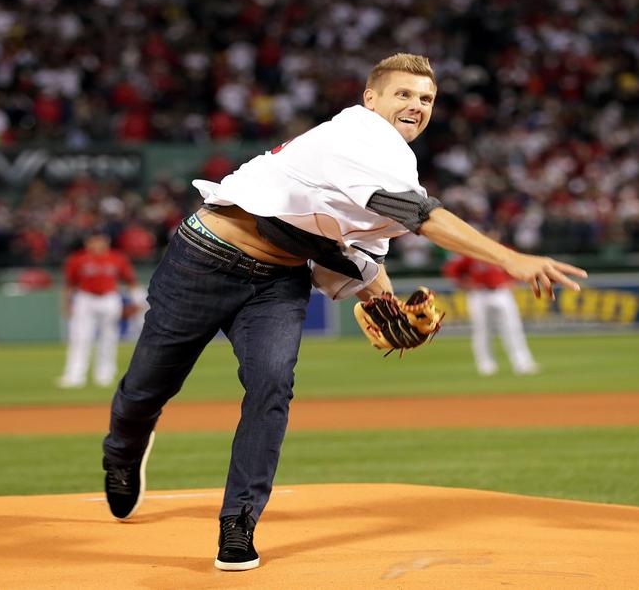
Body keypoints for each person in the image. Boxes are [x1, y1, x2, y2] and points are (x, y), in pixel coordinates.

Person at [99, 53, 586, 572]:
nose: (415, 105)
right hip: (203, 260)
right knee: (149, 386)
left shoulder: (395, 162)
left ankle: (238, 524)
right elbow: (419, 215)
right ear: (370, 99)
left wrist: (383, 300)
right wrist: (511, 258)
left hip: (278, 281)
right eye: (403, 94)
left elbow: (356, 254)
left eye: (426, 99)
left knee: (272, 386)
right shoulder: (360, 136)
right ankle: (123, 450)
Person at [442, 245, 540, 376]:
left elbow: (520, 266)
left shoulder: (503, 251)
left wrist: (512, 282)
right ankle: (486, 365)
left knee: (512, 328)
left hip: (501, 292)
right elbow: (452, 271)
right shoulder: (470, 253)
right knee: (482, 331)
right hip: (479, 294)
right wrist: (466, 285)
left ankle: (522, 363)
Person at [57, 231, 139, 388]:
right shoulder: (78, 259)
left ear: (106, 242)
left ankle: (105, 375)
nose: (96, 244)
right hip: (85, 298)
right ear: (87, 242)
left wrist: (137, 299)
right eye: (93, 241)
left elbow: (130, 281)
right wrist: (66, 303)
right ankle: (75, 376)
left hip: (109, 298)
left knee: (109, 338)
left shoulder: (117, 258)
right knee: (80, 337)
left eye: (99, 240)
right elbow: (69, 284)